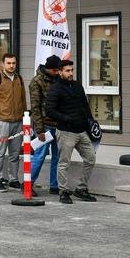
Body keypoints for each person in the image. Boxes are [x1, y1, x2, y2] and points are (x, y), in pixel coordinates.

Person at [45, 60, 97, 204]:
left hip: (82, 131)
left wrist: (91, 123)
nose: (71, 73)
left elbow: (85, 105)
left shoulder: (77, 85)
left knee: (91, 158)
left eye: (72, 70)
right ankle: (63, 191)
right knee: (63, 163)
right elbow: (49, 111)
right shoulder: (55, 88)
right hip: (66, 132)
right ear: (60, 72)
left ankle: (81, 189)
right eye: (67, 71)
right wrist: (67, 119)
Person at [0, 53, 27, 192]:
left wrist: (25, 118)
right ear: (3, 64)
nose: (11, 66)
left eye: (13, 63)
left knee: (15, 154)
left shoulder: (19, 78)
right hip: (2, 122)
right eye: (8, 63)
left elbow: (23, 99)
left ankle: (13, 179)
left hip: (17, 122)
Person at [29, 55, 61, 196]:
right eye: (56, 70)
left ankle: (54, 185)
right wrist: (39, 129)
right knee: (40, 155)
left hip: (59, 124)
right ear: (49, 69)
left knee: (57, 156)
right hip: (45, 125)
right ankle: (28, 183)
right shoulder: (37, 81)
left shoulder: (59, 79)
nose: (58, 72)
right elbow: (35, 107)